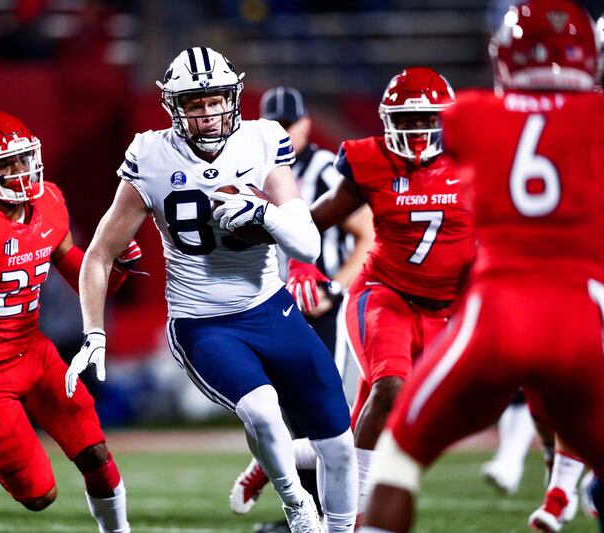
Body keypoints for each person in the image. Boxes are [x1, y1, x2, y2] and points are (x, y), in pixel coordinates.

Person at [66, 47, 358, 533]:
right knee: (264, 410)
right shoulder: (152, 155)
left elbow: (306, 245)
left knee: (339, 445)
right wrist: (93, 333)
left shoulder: (262, 140)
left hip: (270, 307)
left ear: (235, 98)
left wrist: (263, 213)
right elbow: (98, 253)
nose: (208, 114)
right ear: (174, 108)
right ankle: (298, 508)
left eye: (216, 101)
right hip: (203, 321)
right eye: (195, 104)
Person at [360, 2, 604, 532]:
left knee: (398, 456)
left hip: (495, 315)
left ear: (504, 57)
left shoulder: (469, 115)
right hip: (581, 319)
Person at [0, 111, 138, 532]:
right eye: (6, 163)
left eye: (24, 158)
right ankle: (8, 458)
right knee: (39, 495)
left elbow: (82, 276)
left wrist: (116, 266)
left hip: (35, 352)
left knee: (95, 453)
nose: (21, 171)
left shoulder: (49, 200)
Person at [300, 67, 474, 518]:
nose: (417, 129)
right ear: (386, 120)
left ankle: (307, 455)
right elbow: (317, 218)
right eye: (406, 119)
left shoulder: (475, 160)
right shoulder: (371, 160)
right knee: (390, 387)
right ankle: (353, 513)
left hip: (446, 308)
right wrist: (292, 253)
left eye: (425, 119)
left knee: (407, 413)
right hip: (385, 293)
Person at [230, 86, 374, 533]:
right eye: (276, 125)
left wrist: (333, 286)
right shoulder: (253, 163)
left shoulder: (326, 169)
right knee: (283, 413)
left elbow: (366, 233)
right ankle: (305, 515)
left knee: (328, 416)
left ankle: (335, 516)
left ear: (307, 123)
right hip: (272, 301)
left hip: (320, 303)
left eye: (290, 124)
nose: (285, 133)